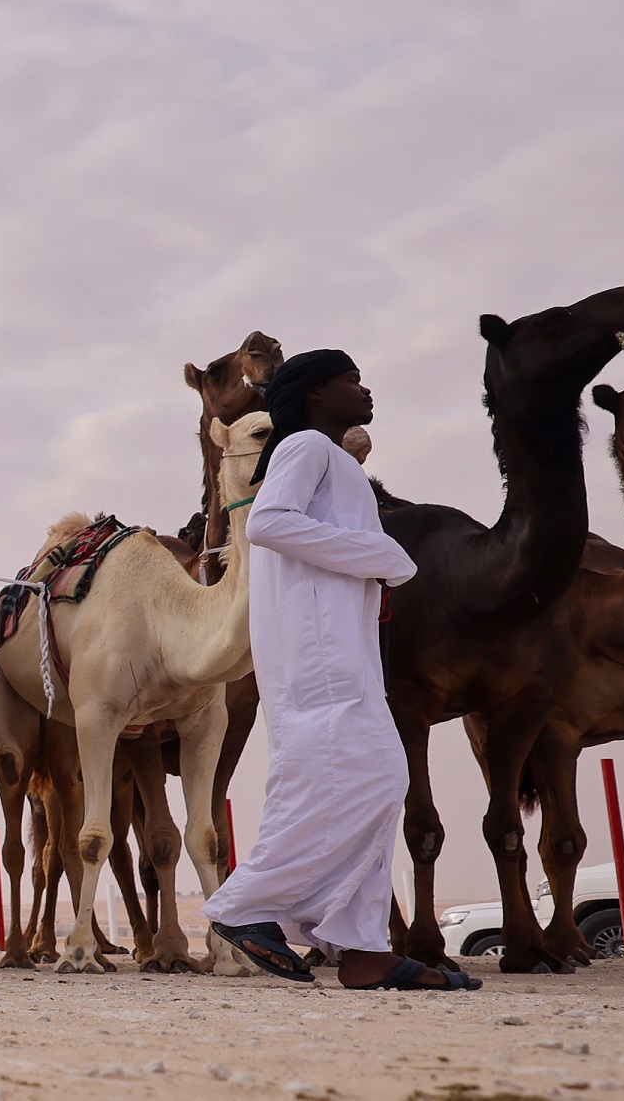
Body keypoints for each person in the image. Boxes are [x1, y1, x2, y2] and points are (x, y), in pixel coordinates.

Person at [201, 349, 478, 992]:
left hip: (330, 649)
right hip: (319, 653)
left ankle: (362, 949)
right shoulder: (306, 447)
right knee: (370, 774)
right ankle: (246, 906)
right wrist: (385, 554)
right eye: (351, 380)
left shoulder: (325, 459)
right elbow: (269, 523)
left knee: (366, 779)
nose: (365, 389)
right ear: (317, 394)